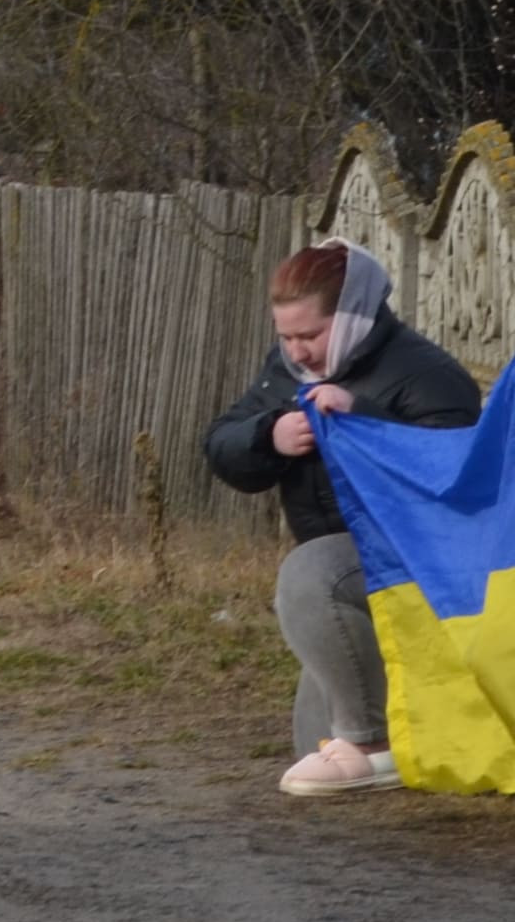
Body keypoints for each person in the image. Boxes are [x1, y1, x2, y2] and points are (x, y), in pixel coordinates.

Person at [202, 240, 484, 794]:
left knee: (311, 575)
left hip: (416, 567)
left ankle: (375, 746)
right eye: (286, 337)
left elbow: (455, 481)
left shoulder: (428, 374)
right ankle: (378, 742)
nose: (298, 352)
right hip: (342, 571)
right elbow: (220, 443)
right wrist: (270, 435)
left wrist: (365, 418)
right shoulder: (285, 372)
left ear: (353, 317)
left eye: (310, 335)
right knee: (310, 751)